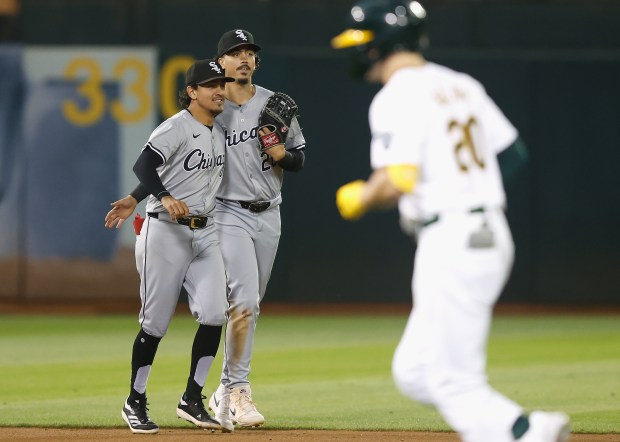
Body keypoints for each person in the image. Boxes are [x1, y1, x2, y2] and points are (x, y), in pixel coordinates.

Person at [331, 1, 570, 442]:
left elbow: (399, 179)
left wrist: (363, 197)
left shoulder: (396, 94)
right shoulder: (461, 84)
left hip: (454, 236)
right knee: (415, 371)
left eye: (359, 42)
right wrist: (473, 193)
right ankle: (520, 428)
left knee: (450, 380)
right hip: (488, 232)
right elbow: (512, 154)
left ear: (376, 46)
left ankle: (529, 434)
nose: (355, 51)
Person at [105, 59, 234, 434]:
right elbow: (145, 164)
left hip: (205, 233)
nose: (219, 90)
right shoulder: (176, 126)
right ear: (192, 92)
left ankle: (192, 398)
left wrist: (133, 198)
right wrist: (159, 195)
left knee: (214, 313)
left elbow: (174, 169)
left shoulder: (217, 131)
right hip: (165, 232)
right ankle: (135, 399)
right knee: (155, 323)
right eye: (211, 84)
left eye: (221, 84)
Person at [206, 28, 306, 429]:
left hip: (269, 214)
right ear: (222, 64)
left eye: (249, 52)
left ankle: (224, 389)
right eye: (235, 53)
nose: (244, 58)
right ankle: (237, 391)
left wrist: (283, 153)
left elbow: (299, 157)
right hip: (228, 214)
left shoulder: (274, 104)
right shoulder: (210, 107)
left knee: (251, 306)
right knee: (243, 302)